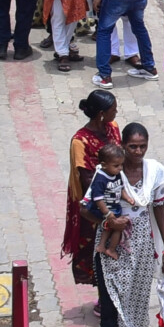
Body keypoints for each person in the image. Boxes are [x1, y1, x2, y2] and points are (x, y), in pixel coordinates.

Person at [86, 121, 164, 327]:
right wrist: (109, 221)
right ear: (123, 145)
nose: (137, 151)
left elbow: (159, 208)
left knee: (134, 304)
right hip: (112, 249)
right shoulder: (109, 171)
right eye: (132, 146)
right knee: (110, 311)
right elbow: (86, 208)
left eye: (142, 146)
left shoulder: (154, 172)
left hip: (142, 250)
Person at [61, 90, 120, 287]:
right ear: (101, 113)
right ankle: (101, 291)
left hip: (116, 195)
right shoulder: (80, 141)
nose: (116, 112)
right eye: (113, 110)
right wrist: (105, 207)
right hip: (95, 204)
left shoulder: (113, 127)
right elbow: (86, 178)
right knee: (93, 247)